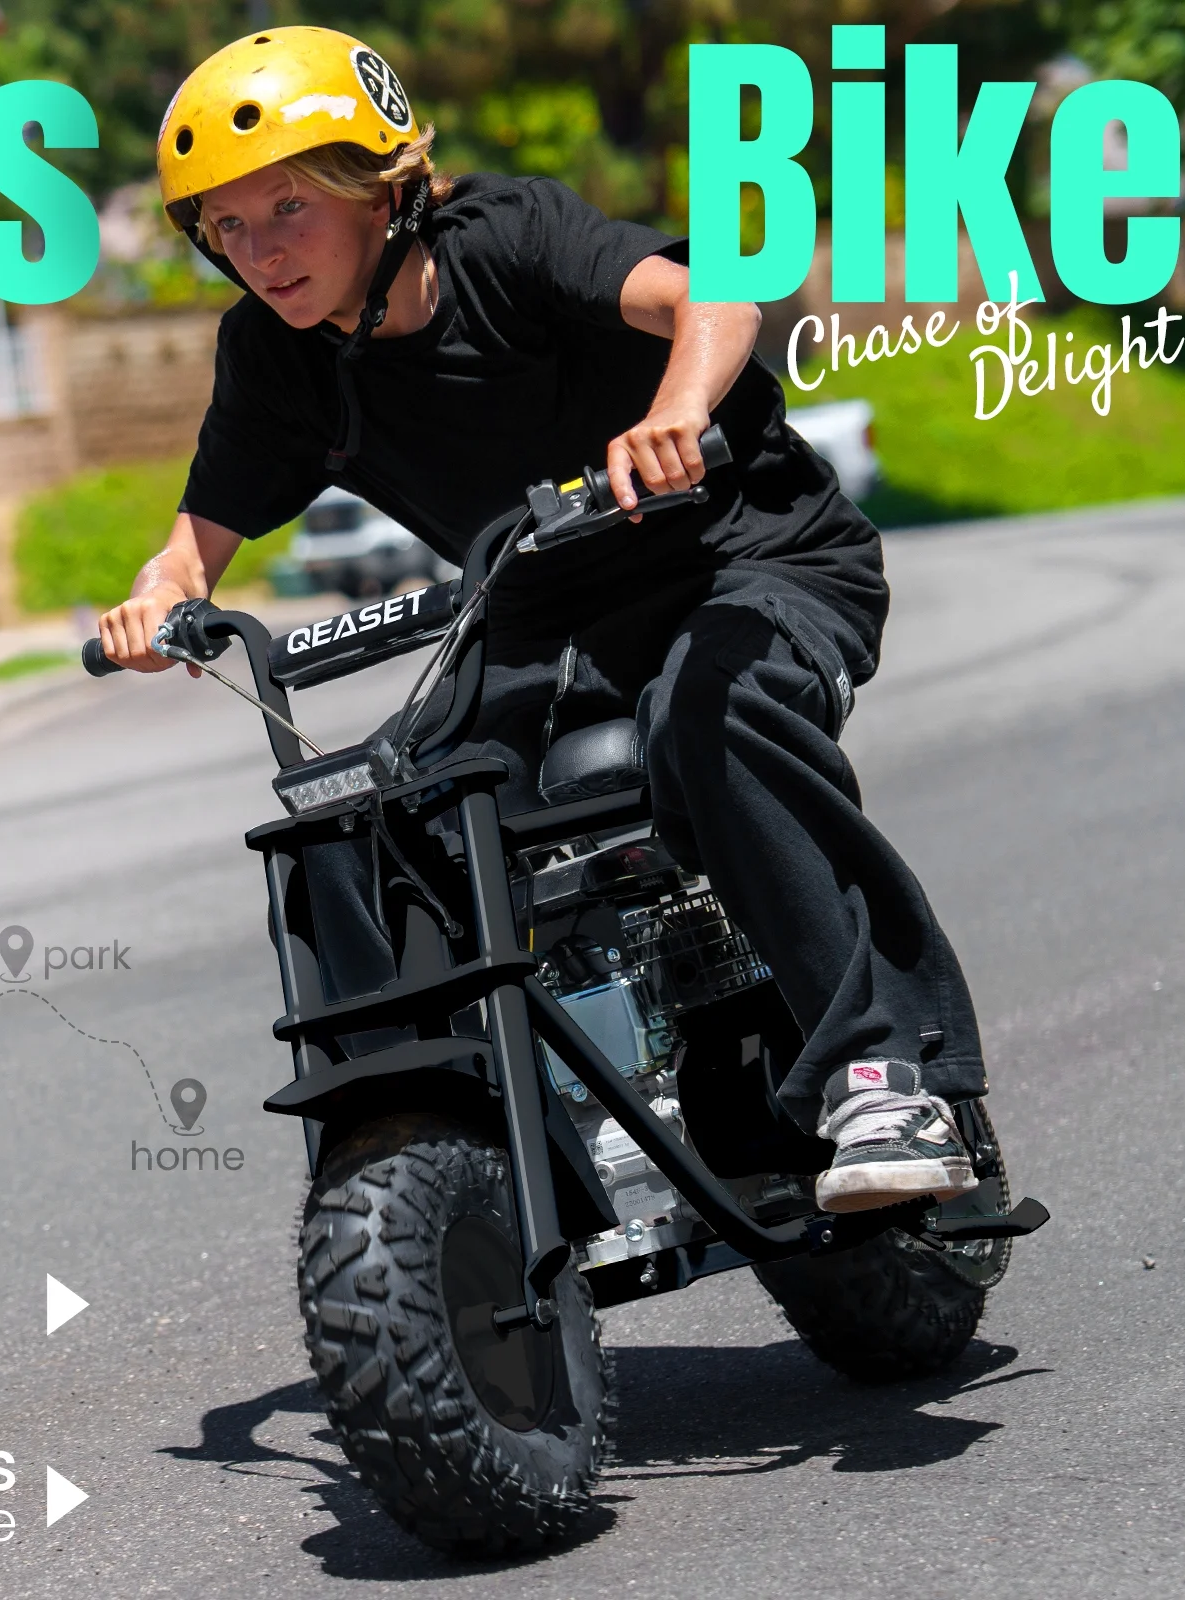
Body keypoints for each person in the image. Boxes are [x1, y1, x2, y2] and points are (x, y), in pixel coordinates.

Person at [99, 26, 984, 1214]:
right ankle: (430, 1138)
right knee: (367, 817)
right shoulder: (277, 356)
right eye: (228, 225)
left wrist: (675, 412)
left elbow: (716, 294)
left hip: (746, 559)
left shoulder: (506, 241)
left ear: (382, 189)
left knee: (713, 717)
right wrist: (160, 598)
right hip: (543, 617)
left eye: (289, 207)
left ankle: (884, 1074)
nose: (259, 251)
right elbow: (193, 541)